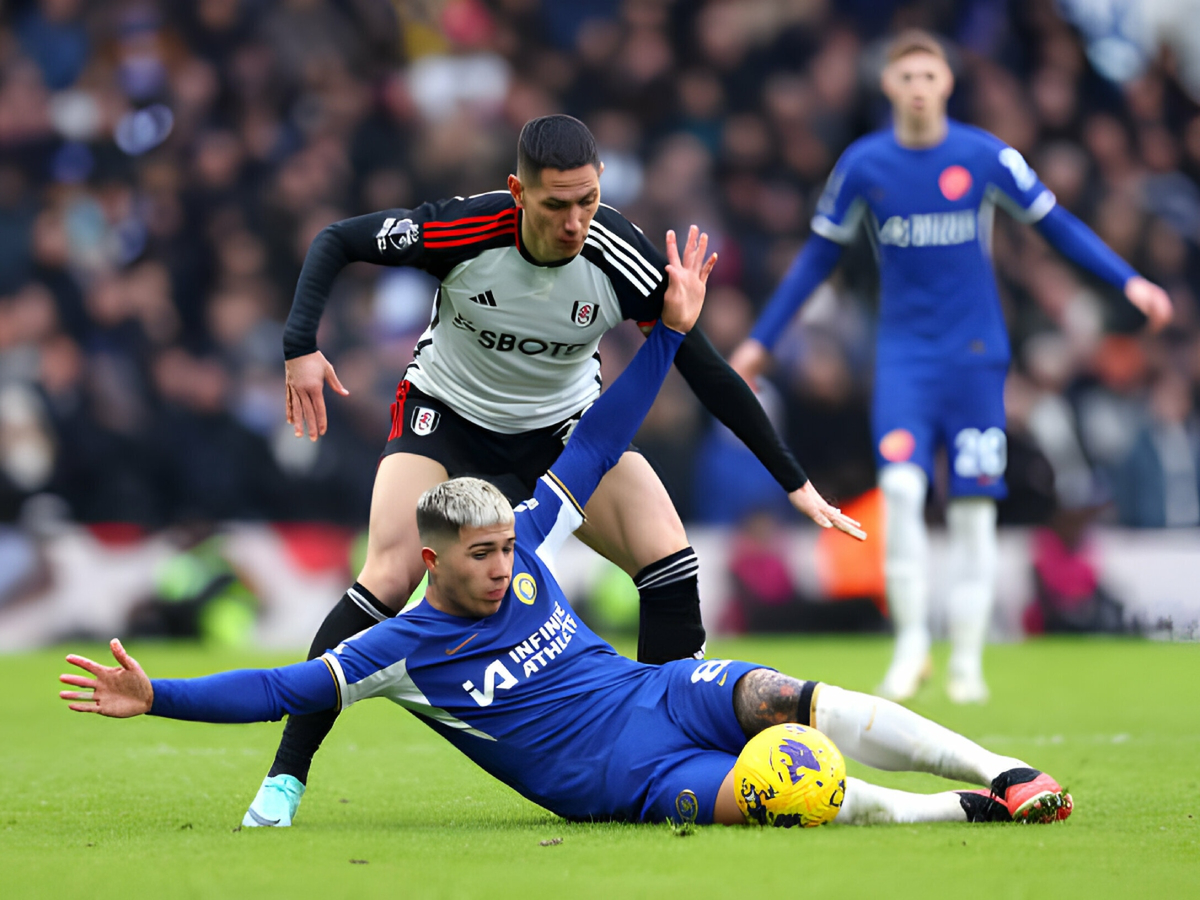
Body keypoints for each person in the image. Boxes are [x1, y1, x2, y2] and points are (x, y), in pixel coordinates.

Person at [59, 252, 1071, 828]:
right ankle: (964, 815)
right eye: (485, 557)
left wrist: (668, 335)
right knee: (789, 788)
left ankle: (1003, 765)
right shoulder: (398, 652)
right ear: (434, 564)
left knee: (785, 696)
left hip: (656, 692)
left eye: (507, 550)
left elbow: (597, 440)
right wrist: (158, 699)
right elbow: (280, 686)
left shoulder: (529, 537)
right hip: (619, 781)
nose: (505, 566)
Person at [266, 115, 864, 827]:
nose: (575, 220)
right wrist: (300, 344)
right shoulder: (462, 229)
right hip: (448, 420)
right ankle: (286, 779)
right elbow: (337, 239)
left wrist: (793, 481)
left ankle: (663, 747)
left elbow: (705, 369)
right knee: (390, 574)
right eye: (556, 205)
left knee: (669, 558)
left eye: (587, 200)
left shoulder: (618, 252)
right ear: (517, 192)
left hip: (562, 435)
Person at [730, 30, 1172, 705]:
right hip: (906, 359)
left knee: (972, 511)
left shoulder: (985, 156)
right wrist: (761, 341)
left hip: (975, 362)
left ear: (946, 84)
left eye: (928, 76)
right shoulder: (864, 164)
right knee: (902, 495)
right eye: (904, 76)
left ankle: (966, 659)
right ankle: (911, 647)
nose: (917, 87)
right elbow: (816, 260)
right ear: (888, 86)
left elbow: (1058, 226)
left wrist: (1129, 281)